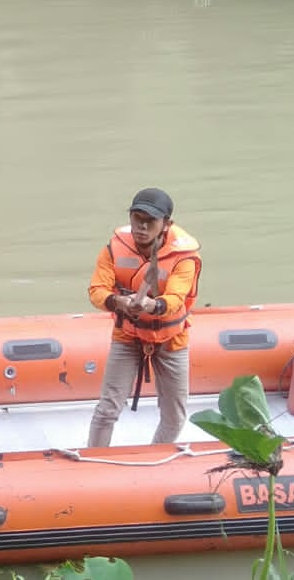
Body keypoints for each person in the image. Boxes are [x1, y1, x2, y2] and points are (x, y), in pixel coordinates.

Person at [85, 187, 202, 448]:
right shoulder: (113, 249)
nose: (142, 227)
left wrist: (151, 305)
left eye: (150, 221)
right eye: (137, 219)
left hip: (171, 339)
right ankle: (95, 460)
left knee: (174, 414)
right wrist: (118, 302)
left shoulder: (184, 257)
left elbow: (175, 299)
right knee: (107, 409)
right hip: (128, 334)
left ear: (166, 224)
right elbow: (97, 291)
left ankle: (155, 456)